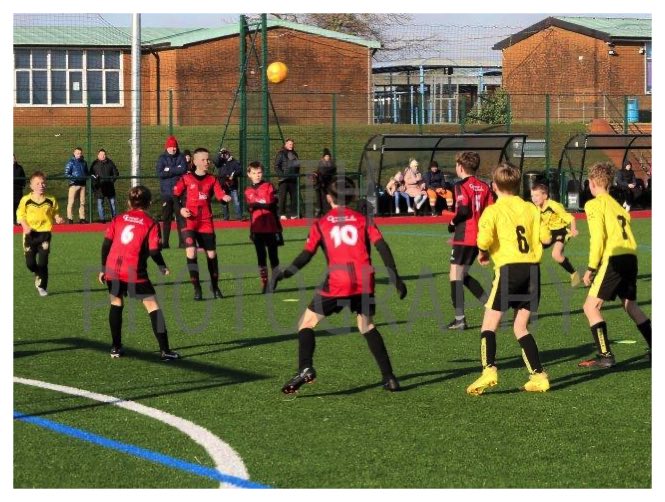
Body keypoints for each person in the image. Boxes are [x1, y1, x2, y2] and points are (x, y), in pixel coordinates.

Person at [271, 176, 408, 394]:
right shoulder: (363, 219)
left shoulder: (322, 223)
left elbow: (306, 255)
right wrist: (395, 277)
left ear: (328, 198)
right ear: (352, 197)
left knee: (306, 323)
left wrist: (285, 273)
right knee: (367, 326)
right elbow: (382, 246)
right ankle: (390, 378)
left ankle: (305, 367)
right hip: (364, 281)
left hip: (338, 282)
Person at [466, 163, 553, 395]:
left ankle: (489, 371)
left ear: (494, 186)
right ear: (518, 185)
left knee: (489, 325)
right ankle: (539, 376)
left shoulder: (493, 211)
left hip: (509, 270)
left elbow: (483, 240)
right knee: (520, 326)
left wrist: (482, 252)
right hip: (532, 270)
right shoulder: (531, 208)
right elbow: (546, 238)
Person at [579, 162, 651, 368]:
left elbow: (597, 238)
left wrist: (591, 268)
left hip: (615, 258)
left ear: (592, 183)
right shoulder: (617, 205)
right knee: (630, 305)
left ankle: (605, 355)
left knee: (590, 307)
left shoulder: (594, 205)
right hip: (630, 256)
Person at [98, 185, 180, 361]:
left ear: (129, 202)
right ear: (149, 203)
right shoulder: (151, 223)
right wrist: (162, 266)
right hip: (134, 271)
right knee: (152, 306)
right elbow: (154, 251)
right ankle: (165, 351)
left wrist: (103, 268)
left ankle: (115, 348)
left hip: (113, 269)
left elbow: (106, 245)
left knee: (116, 303)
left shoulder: (118, 219)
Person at [173, 148, 231, 301]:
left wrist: (224, 197)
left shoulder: (212, 179)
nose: (207, 162)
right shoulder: (186, 178)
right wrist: (181, 209)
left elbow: (219, 194)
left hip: (206, 221)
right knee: (191, 252)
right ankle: (197, 289)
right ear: (195, 161)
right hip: (190, 221)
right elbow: (175, 196)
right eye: (204, 160)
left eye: (208, 159)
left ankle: (215, 286)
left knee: (211, 254)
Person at [446, 151, 493, 330]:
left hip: (464, 236)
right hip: (479, 237)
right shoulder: (484, 186)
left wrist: (452, 222)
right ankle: (491, 306)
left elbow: (464, 210)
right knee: (463, 275)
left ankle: (459, 319)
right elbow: (490, 212)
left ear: (460, 167)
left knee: (455, 275)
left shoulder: (460, 186)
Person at [16, 171, 65, 296]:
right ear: (31, 186)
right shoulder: (25, 200)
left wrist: (58, 218)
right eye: (37, 183)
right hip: (30, 235)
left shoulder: (51, 199)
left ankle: (42, 286)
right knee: (30, 264)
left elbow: (55, 212)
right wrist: (25, 226)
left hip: (44, 235)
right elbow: (20, 215)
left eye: (43, 183)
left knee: (43, 262)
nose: (41, 185)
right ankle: (37, 272)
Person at [530, 183, 580, 286]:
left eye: (537, 195)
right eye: (532, 196)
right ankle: (529, 279)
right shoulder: (536, 207)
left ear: (545, 195)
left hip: (561, 231)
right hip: (548, 232)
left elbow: (571, 218)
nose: (534, 198)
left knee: (556, 255)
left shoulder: (553, 205)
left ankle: (574, 274)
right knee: (534, 250)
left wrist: (573, 229)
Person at [245, 161, 282, 293]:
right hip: (257, 228)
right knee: (261, 256)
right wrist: (251, 230)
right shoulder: (248, 191)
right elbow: (250, 211)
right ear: (249, 174)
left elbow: (271, 205)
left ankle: (275, 276)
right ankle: (265, 282)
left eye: (259, 172)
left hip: (271, 227)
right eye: (254, 173)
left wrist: (257, 205)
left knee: (273, 255)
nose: (257, 175)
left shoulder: (269, 186)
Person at [155, 135, 188, 248]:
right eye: (171, 147)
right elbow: (160, 173)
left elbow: (183, 169)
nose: (173, 149)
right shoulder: (162, 158)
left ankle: (182, 242)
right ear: (167, 147)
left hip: (179, 193)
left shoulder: (181, 157)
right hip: (167, 194)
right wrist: (176, 170)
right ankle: (165, 243)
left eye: (175, 147)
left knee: (180, 218)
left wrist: (168, 169)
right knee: (166, 219)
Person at [90, 148, 120, 223]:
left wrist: (111, 181)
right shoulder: (94, 164)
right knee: (100, 203)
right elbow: (91, 174)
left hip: (109, 186)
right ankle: (102, 219)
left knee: (112, 203)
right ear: (98, 155)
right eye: (101, 154)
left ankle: (114, 219)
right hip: (99, 188)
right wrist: (96, 182)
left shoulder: (110, 162)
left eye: (104, 154)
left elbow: (116, 173)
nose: (103, 156)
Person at [274, 138, 301, 219]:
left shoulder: (295, 154)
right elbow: (276, 166)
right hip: (284, 180)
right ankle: (282, 214)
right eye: (289, 144)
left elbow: (297, 166)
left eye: (292, 144)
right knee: (283, 197)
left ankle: (294, 214)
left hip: (293, 179)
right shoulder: (281, 153)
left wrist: (296, 174)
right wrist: (282, 175)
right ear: (285, 144)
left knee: (294, 198)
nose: (291, 146)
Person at [214, 147, 243, 221]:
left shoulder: (234, 161)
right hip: (223, 185)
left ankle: (239, 217)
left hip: (232, 185)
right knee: (224, 202)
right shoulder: (221, 162)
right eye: (224, 154)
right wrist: (220, 153)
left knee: (236, 201)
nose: (225, 155)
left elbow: (239, 170)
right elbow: (216, 162)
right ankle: (226, 218)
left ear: (229, 153)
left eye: (226, 153)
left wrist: (233, 174)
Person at [64, 146, 89, 224]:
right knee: (71, 202)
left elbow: (86, 172)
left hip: (82, 185)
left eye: (80, 153)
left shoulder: (84, 162)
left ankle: (82, 218)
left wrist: (87, 177)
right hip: (74, 185)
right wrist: (75, 178)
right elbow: (66, 173)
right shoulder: (70, 162)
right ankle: (70, 218)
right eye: (77, 153)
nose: (79, 154)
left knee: (82, 202)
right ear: (74, 153)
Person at [312, 147, 337, 217]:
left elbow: (330, 172)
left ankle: (325, 211)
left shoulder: (331, 164)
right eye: (326, 156)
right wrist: (316, 174)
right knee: (319, 198)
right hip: (320, 183)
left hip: (327, 184)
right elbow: (319, 172)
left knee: (325, 198)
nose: (327, 157)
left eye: (328, 156)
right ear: (323, 157)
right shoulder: (321, 163)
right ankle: (319, 211)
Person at [13, 154, 26, 225]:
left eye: (14, 158)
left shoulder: (19, 168)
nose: (13, 159)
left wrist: (23, 185)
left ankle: (18, 220)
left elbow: (23, 177)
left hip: (18, 190)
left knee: (18, 205)